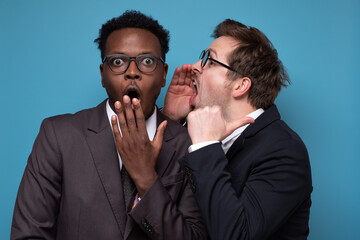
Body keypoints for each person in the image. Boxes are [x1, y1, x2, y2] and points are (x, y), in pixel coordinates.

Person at [11, 10, 207, 240]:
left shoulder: (188, 145)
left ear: (163, 75)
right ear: (103, 75)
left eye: (146, 61)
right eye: (118, 61)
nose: (132, 72)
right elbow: (29, 235)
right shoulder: (58, 136)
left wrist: (146, 179)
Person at [163, 19, 312, 239]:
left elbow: (236, 235)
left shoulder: (285, 152)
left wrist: (205, 146)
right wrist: (171, 121)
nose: (195, 67)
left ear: (240, 86)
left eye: (210, 61)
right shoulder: (189, 129)